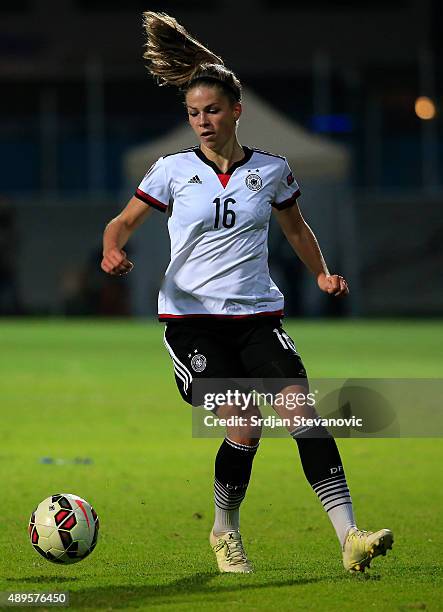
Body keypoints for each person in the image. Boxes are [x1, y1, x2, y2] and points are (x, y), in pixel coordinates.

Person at [101, 12, 393, 574]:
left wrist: (321, 274)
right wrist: (112, 249)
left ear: (237, 111)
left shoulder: (274, 170)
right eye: (193, 113)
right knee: (244, 419)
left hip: (259, 316)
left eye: (212, 110)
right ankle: (224, 530)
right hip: (192, 324)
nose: (202, 122)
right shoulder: (171, 170)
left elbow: (296, 229)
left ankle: (349, 536)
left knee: (302, 413)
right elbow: (122, 223)